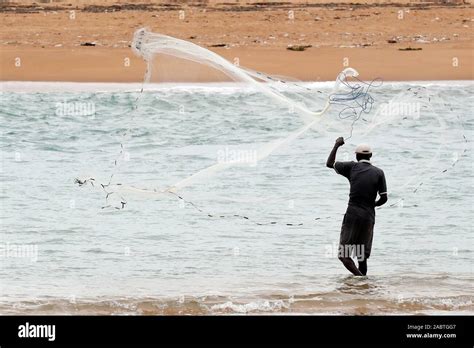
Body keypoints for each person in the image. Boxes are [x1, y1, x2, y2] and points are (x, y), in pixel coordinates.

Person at [326, 137, 387, 276]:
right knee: (362, 257)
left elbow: (330, 164)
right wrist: (373, 205)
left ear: (357, 155)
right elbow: (384, 198)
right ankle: (362, 289)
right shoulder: (379, 172)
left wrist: (336, 145)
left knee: (344, 256)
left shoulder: (351, 167)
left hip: (353, 215)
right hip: (368, 217)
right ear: (370, 156)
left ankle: (361, 281)